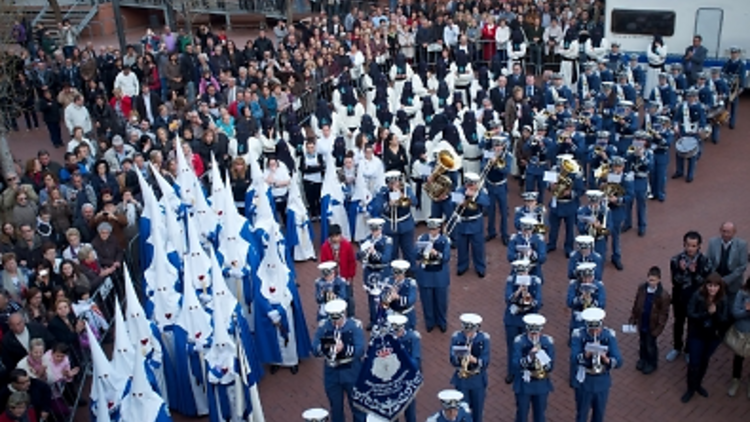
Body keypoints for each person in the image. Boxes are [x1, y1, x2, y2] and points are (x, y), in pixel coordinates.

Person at [311, 299, 365, 422]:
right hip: (332, 373)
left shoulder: (354, 326)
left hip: (351, 371)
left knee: (358, 408)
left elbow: (360, 350)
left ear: (344, 314)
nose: (336, 324)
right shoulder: (324, 327)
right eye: (333, 320)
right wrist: (327, 348)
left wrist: (343, 349)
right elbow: (314, 348)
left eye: (338, 320)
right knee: (336, 408)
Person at [682, 273, 730, 403]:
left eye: (715, 286)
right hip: (697, 335)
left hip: (713, 337)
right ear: (706, 285)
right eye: (710, 285)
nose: (712, 289)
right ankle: (690, 389)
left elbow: (725, 320)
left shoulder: (723, 299)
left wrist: (715, 314)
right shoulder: (698, 296)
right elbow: (690, 313)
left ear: (720, 287)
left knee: (704, 361)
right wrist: (706, 313)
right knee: (694, 363)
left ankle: (698, 385)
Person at [667, 231, 713, 362]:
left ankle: (688, 350)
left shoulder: (705, 261)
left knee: (692, 325)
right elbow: (675, 281)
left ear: (699, 246)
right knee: (678, 323)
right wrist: (681, 270)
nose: (690, 249)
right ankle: (677, 347)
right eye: (688, 245)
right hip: (680, 299)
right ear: (684, 244)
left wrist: (694, 273)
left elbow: (705, 282)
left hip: (696, 300)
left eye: (693, 246)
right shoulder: (676, 260)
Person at [570, 308, 622, 422]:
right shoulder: (579, 335)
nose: (595, 333)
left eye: (597, 330)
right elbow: (574, 358)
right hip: (585, 381)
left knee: (599, 415)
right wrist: (586, 354)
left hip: (601, 381)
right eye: (592, 330)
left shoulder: (608, 336)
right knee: (582, 414)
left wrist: (606, 358)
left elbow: (618, 360)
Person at [503, 259, 542, 385]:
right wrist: (519, 291)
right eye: (519, 272)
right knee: (513, 345)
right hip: (513, 319)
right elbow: (508, 299)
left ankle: (529, 369)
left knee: (530, 345)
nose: (522, 274)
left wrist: (529, 301)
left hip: (529, 319)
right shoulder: (511, 280)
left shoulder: (535, 281)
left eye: (524, 271)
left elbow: (539, 302)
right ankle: (512, 371)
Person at [628, 266, 671, 375]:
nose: (651, 282)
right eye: (649, 279)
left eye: (654, 280)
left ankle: (652, 363)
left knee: (650, 345)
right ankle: (643, 359)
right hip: (643, 321)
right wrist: (633, 317)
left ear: (659, 280)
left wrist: (658, 330)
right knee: (642, 342)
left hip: (652, 325)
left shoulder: (663, 295)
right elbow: (637, 303)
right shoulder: (642, 289)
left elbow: (663, 315)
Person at [512, 314, 554, 422]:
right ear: (527, 331)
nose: (534, 335)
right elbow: (516, 363)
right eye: (531, 333)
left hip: (541, 384)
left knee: (540, 415)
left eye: (536, 333)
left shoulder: (547, 342)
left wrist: (542, 358)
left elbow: (551, 366)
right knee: (522, 414)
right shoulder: (519, 341)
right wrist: (530, 356)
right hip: (524, 383)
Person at [370, 171, 417, 267]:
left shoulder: (406, 189)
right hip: (390, 226)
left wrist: (404, 196)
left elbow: (415, 202)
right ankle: (393, 273)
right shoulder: (383, 192)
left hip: (405, 224)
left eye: (396, 182)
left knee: (409, 251)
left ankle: (412, 272)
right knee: (392, 252)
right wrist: (388, 204)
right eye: (391, 183)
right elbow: (377, 208)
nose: (394, 185)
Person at [449, 313, 490, 422]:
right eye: (466, 331)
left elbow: (486, 361)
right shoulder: (457, 337)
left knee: (478, 410)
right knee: (463, 410)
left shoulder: (484, 339)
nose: (468, 334)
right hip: (462, 380)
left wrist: (474, 360)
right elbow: (452, 359)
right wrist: (460, 358)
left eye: (470, 332)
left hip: (477, 379)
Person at [415, 218, 451, 333]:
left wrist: (436, 253)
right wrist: (423, 251)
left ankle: (442, 322)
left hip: (439, 274)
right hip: (425, 274)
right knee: (427, 300)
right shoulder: (422, 239)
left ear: (439, 229)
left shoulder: (445, 240)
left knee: (441, 301)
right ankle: (429, 322)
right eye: (431, 229)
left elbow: (446, 257)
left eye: (435, 229)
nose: (432, 232)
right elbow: (415, 255)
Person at [357, 218, 394, 330]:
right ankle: (374, 320)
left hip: (382, 272)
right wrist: (363, 253)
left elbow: (385, 258)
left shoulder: (387, 241)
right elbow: (358, 256)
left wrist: (374, 253)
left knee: (384, 297)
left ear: (381, 229)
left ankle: (384, 319)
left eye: (376, 230)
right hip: (370, 271)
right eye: (373, 230)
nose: (374, 232)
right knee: (371, 298)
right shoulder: (367, 240)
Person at [452, 172, 490, 278]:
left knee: (478, 247)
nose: (471, 187)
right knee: (462, 247)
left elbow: (487, 203)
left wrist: (475, 196)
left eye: (473, 185)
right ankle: (462, 266)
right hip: (463, 222)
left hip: (475, 223)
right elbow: (452, 204)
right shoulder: (460, 190)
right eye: (469, 184)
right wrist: (462, 200)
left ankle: (480, 267)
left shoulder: (481, 192)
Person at [388, 313, 421, 422]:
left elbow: (416, 361)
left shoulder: (413, 338)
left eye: (398, 332)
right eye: (394, 332)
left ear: (403, 329)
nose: (396, 335)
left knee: (410, 412)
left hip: (407, 380)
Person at [706, 222, 748, 306]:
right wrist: (716, 277)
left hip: (733, 283)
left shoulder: (742, 245)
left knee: (731, 306)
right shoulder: (712, 242)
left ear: (734, 232)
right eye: (723, 231)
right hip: (715, 282)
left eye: (728, 232)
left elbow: (742, 266)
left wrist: (727, 280)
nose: (725, 234)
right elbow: (708, 260)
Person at [320, 224, 357, 317]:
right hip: (332, 278)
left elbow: (352, 262)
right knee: (333, 298)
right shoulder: (325, 247)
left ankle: (351, 316)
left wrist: (350, 277)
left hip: (345, 276)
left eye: (337, 236)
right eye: (333, 237)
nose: (335, 239)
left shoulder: (347, 245)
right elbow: (324, 263)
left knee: (349, 298)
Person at [483, 136, 512, 245]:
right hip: (490, 185)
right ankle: (491, 232)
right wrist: (488, 163)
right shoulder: (488, 154)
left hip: (501, 186)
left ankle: (504, 234)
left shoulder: (507, 156)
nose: (497, 148)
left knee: (503, 211)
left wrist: (496, 165)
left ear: (503, 146)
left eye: (499, 145)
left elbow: (506, 170)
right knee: (490, 210)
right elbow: (482, 167)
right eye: (495, 145)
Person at [726, 276, 750, 397]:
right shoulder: (742, 293)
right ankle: (735, 380)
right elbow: (735, 313)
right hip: (741, 332)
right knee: (739, 358)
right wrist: (747, 311)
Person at [380, 260, 418, 330]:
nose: (396, 276)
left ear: (404, 273)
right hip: (392, 314)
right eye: (395, 273)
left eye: (398, 274)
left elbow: (411, 300)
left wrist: (398, 298)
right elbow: (382, 300)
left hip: (406, 314)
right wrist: (388, 297)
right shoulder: (388, 281)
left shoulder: (410, 283)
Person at [721, 46, 746, 129]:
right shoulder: (727, 63)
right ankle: (723, 119)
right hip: (727, 86)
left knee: (734, 106)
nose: (733, 55)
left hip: (735, 87)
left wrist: (741, 87)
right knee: (724, 104)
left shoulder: (741, 64)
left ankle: (732, 122)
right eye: (732, 53)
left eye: (735, 53)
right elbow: (723, 72)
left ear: (738, 54)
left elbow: (742, 76)